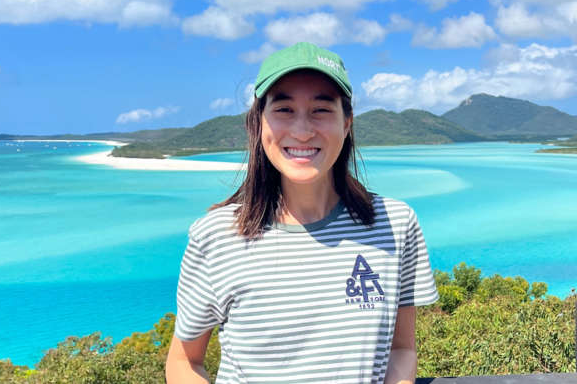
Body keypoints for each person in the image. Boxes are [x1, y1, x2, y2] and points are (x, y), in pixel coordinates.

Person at [165, 41, 439, 384]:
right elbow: (184, 362)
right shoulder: (216, 236)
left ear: (347, 122)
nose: (302, 130)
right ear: (258, 123)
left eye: (321, 110)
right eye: (284, 110)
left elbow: (402, 349)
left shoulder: (396, 225)